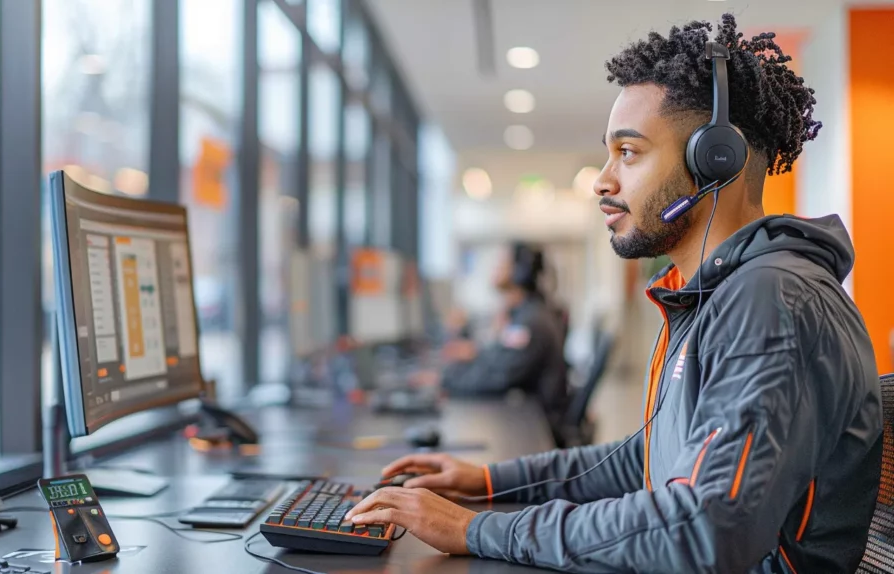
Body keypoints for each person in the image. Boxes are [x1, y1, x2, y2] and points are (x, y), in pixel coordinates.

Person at [345, 14, 882, 573]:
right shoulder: (714, 297)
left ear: (714, 160)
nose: (603, 180)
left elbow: (707, 528)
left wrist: (476, 528)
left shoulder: (771, 301)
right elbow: (646, 463)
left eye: (628, 153)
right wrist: (486, 481)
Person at [421, 242, 570, 420]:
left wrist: (444, 380)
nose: (494, 267)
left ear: (519, 272)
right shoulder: (523, 314)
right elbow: (498, 361)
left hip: (535, 424)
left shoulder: (530, 323)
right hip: (525, 413)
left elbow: (498, 378)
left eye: (501, 263)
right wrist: (473, 353)